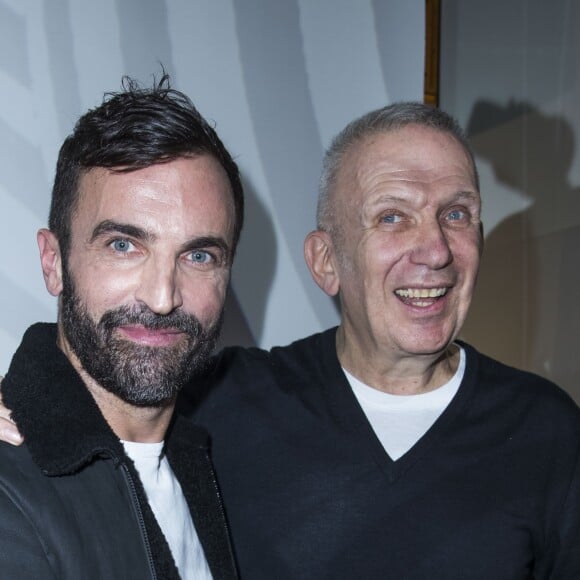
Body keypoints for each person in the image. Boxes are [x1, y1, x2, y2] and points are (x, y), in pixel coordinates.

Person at [2, 102, 580, 579]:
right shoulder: (225, 399)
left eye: (456, 214)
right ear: (325, 261)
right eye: (392, 217)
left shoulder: (550, 430)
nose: (435, 250)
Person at [0, 76, 240, 579]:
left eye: (198, 255)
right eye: (123, 245)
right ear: (54, 261)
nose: (162, 296)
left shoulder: (214, 448)